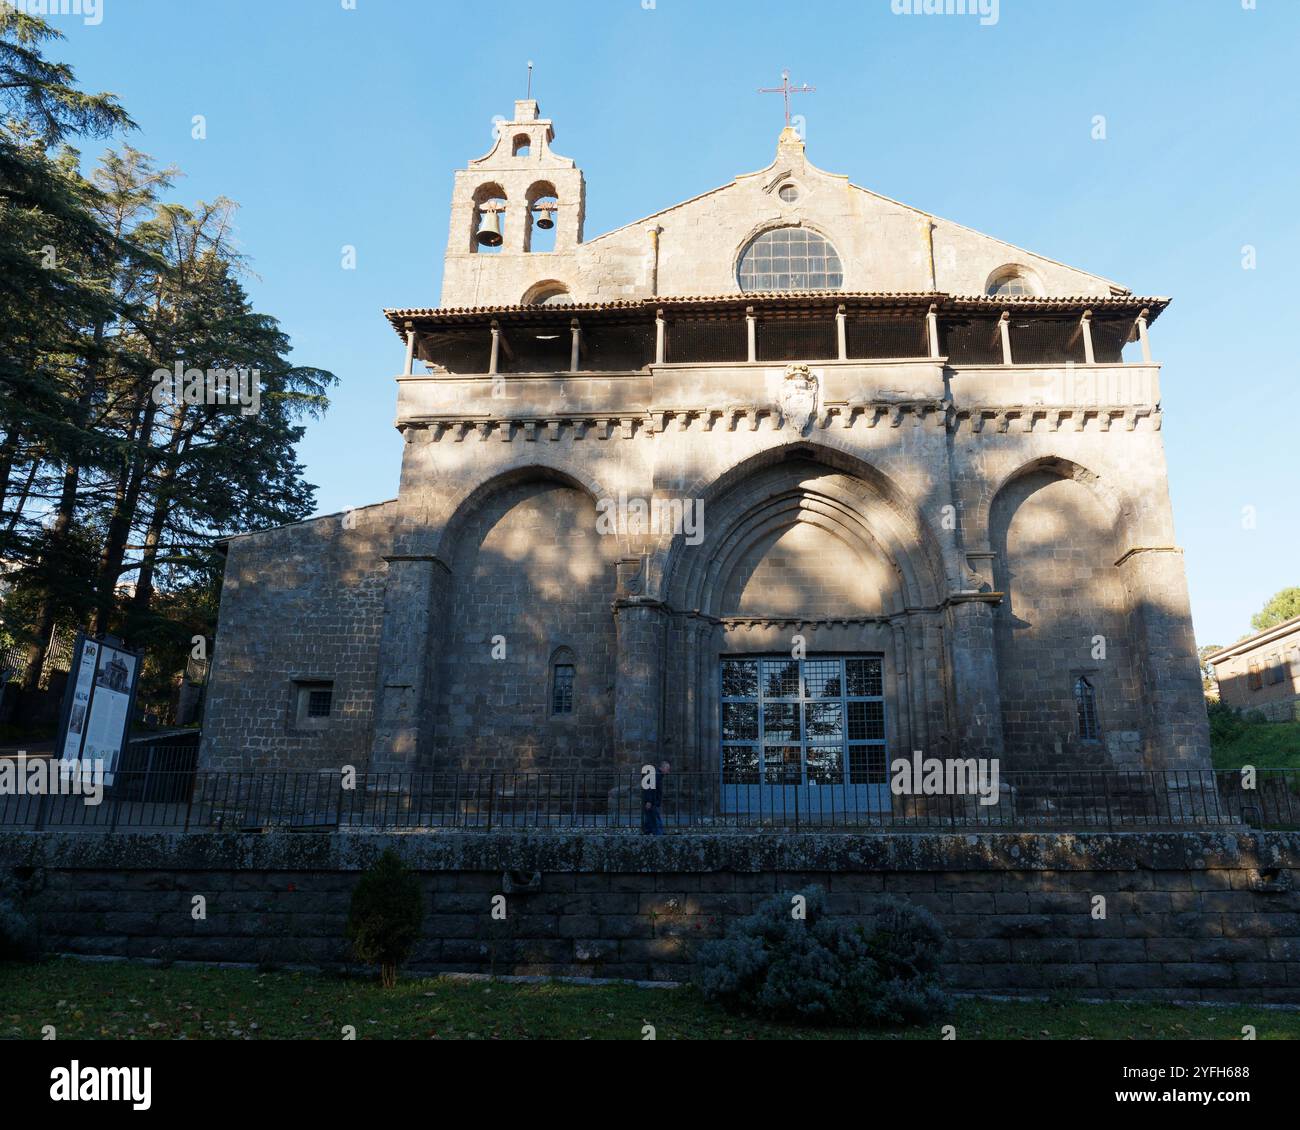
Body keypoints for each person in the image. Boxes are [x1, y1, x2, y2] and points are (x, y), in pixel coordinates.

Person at [641, 760, 669, 835]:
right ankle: (659, 833)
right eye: (667, 769)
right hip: (653, 801)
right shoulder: (656, 775)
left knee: (650, 816)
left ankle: (648, 831)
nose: (668, 771)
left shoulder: (657, 774)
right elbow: (650, 788)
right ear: (662, 768)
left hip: (653, 800)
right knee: (655, 817)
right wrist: (649, 801)